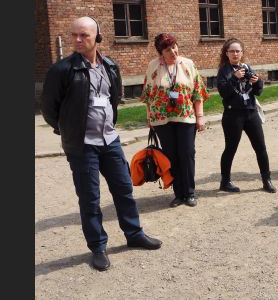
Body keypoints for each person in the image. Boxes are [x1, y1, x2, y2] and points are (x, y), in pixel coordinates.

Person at [41, 16, 162, 272]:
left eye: (83, 35)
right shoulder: (62, 70)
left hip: (109, 140)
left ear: (97, 37)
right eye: (74, 35)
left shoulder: (110, 66)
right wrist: (66, 129)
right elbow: (49, 109)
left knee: (124, 189)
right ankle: (98, 247)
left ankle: (134, 233)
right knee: (90, 199)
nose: (77, 40)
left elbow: (113, 99)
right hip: (82, 145)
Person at [140, 33, 209, 208]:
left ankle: (190, 192)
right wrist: (149, 116)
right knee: (171, 156)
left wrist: (200, 117)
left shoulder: (188, 64)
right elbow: (148, 94)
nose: (173, 51)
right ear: (160, 52)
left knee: (187, 153)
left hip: (186, 117)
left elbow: (198, 92)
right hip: (161, 119)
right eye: (167, 49)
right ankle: (178, 193)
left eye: (174, 47)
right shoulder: (153, 66)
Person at [216, 38, 276, 193]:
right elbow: (223, 92)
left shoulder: (247, 67)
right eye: (232, 51)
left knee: (261, 147)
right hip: (233, 115)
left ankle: (266, 180)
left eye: (238, 51)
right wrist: (234, 77)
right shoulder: (224, 70)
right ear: (226, 53)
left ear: (242, 53)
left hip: (250, 112)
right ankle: (225, 182)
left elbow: (258, 92)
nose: (235, 54)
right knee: (231, 148)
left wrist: (257, 82)